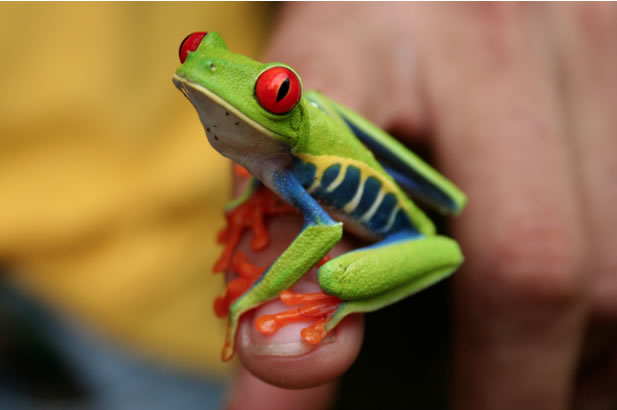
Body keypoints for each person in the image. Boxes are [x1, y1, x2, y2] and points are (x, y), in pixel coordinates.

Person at [225, 3, 617, 410]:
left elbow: (322, 229)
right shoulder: (271, 160)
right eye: (192, 50)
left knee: (336, 279)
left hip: (396, 233)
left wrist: (255, 295)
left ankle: (344, 298)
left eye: (277, 92)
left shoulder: (294, 166)